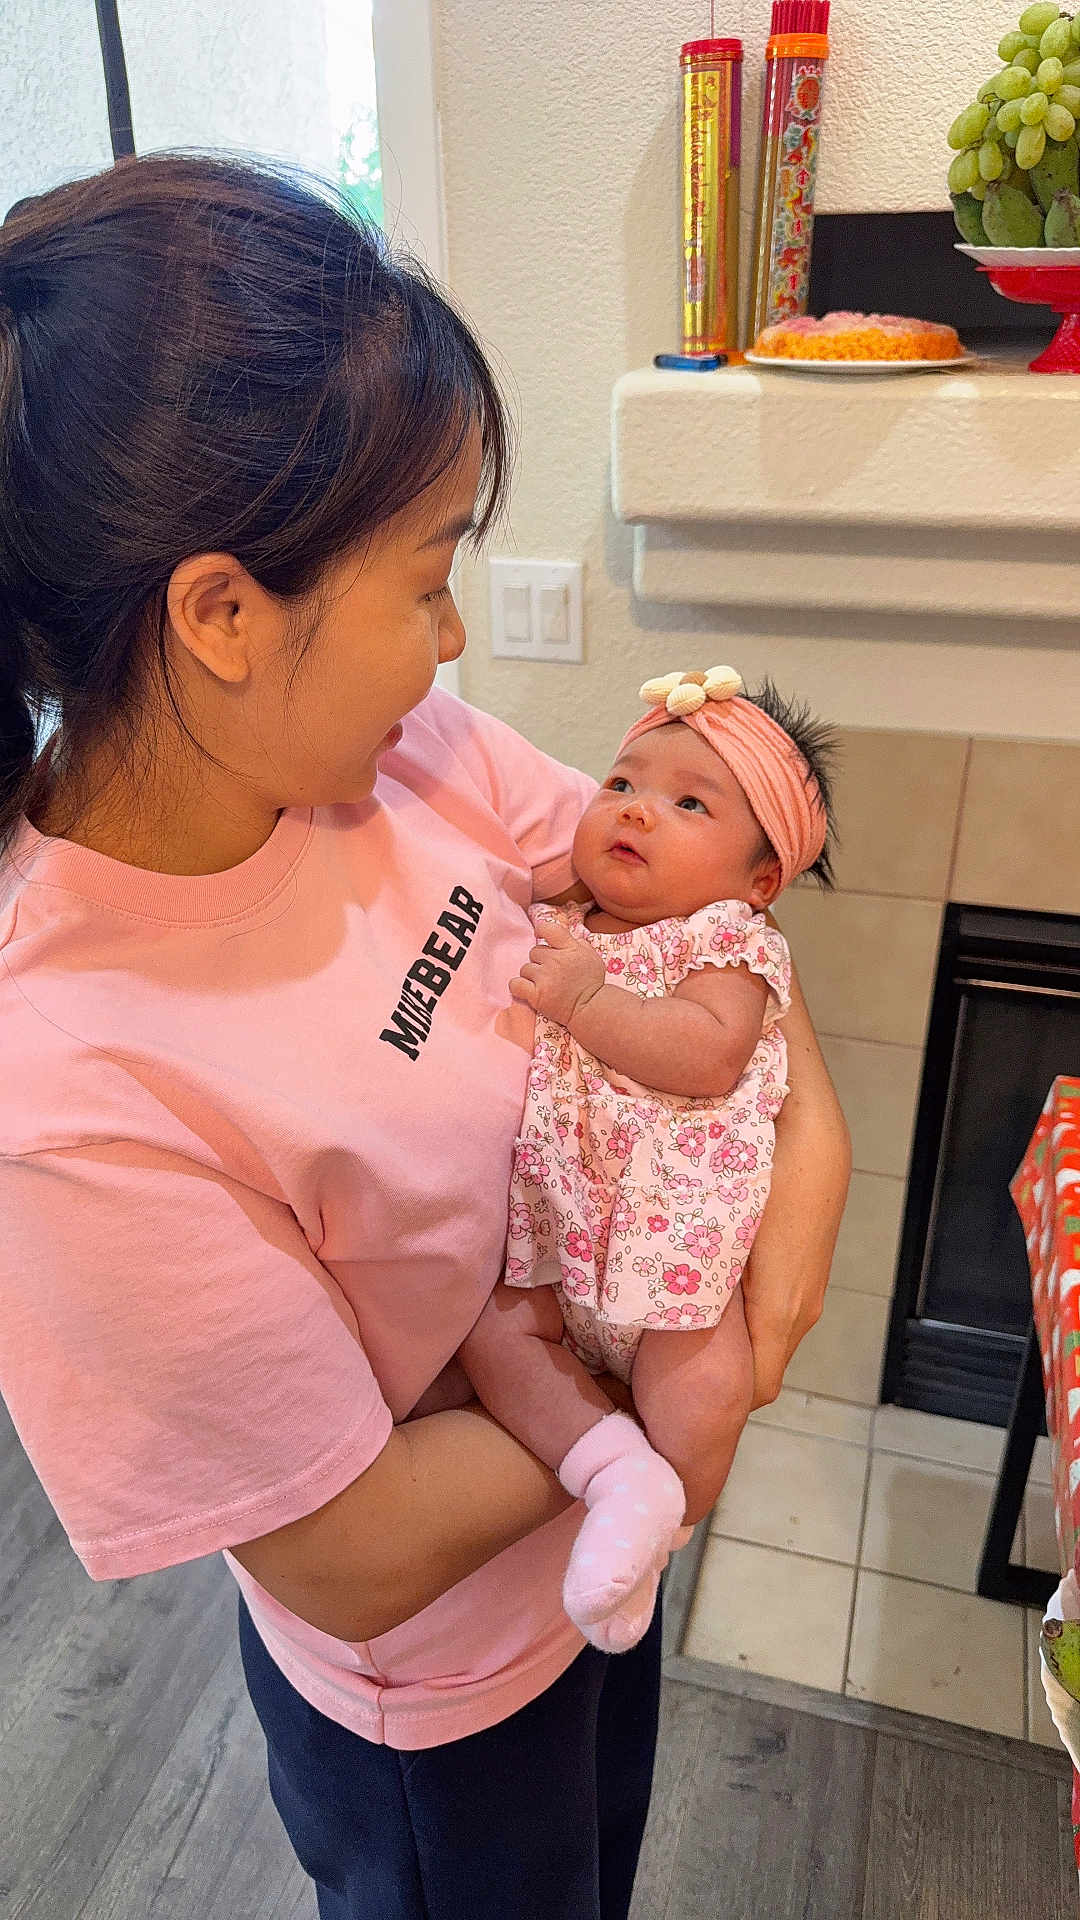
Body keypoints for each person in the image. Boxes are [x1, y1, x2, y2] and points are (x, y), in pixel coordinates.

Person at [0, 156, 850, 1920]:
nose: (455, 639)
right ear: (222, 616)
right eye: (424, 577)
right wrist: (700, 1348)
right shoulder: (71, 1097)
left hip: (583, 1557)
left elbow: (705, 939)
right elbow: (356, 1548)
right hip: (440, 1704)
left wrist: (736, 1238)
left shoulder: (403, 760)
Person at [458, 668, 837, 1653]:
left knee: (707, 1390)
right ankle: (615, 1480)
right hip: (557, 1240)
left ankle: (662, 1532)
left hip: (675, 1267)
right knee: (498, 1343)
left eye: (690, 803)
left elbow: (711, 1054)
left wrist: (586, 1004)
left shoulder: (726, 941)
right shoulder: (569, 920)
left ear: (761, 881)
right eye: (622, 784)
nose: (637, 813)